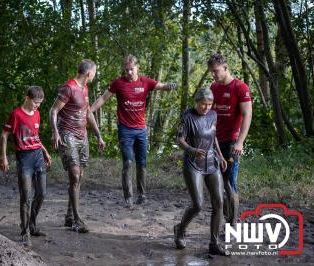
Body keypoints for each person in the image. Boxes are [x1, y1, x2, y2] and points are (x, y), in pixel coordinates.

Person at [90, 54, 177, 207]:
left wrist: (169, 86)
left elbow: (161, 86)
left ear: (137, 67)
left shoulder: (145, 81)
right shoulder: (118, 83)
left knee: (142, 163)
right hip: (125, 130)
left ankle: (142, 195)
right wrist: (89, 111)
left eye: (131, 69)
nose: (129, 72)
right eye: (126, 70)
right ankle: (128, 197)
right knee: (128, 163)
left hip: (141, 130)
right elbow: (103, 98)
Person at [50, 59, 105, 233]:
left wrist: (98, 135)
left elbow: (88, 113)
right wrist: (55, 132)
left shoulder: (85, 88)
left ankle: (69, 216)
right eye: (95, 73)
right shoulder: (69, 87)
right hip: (67, 134)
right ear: (89, 73)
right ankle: (77, 220)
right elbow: (53, 111)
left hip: (83, 136)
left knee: (79, 176)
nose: (94, 76)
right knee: (74, 175)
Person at [174, 88, 228, 256]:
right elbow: (179, 139)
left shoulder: (213, 115)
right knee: (198, 204)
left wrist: (220, 156)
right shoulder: (187, 116)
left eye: (210, 104)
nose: (206, 107)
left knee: (219, 201)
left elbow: (214, 136)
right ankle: (180, 229)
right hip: (193, 164)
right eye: (203, 104)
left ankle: (214, 243)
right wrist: (191, 150)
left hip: (212, 162)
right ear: (196, 102)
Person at [0, 86, 52, 247]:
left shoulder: (37, 114)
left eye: (40, 103)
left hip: (37, 156)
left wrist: (45, 151)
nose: (38, 106)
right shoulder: (16, 115)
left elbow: (35, 136)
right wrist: (4, 157)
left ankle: (32, 224)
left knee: (41, 193)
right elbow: (4, 135)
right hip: (24, 159)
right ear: (27, 98)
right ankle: (25, 232)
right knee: (26, 196)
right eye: (36, 102)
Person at [207, 54, 252, 226]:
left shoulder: (240, 87)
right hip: (214, 142)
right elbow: (209, 113)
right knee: (215, 182)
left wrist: (240, 142)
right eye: (211, 72)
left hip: (232, 143)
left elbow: (247, 115)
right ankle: (224, 218)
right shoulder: (213, 87)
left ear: (225, 68)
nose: (214, 75)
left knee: (229, 183)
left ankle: (232, 223)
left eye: (216, 71)